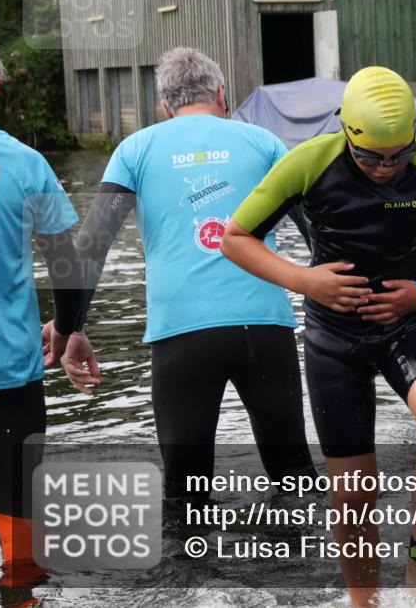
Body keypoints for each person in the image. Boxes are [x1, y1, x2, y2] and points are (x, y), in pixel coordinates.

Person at [221, 66, 416, 608]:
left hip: (406, 322)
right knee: (353, 494)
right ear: (346, 131)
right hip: (334, 336)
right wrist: (306, 281)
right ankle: (362, 601)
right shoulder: (309, 162)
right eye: (371, 157)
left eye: (400, 155)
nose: (386, 169)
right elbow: (236, 239)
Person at [55, 47, 317, 509]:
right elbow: (318, 233)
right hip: (265, 327)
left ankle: (191, 575)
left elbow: (91, 248)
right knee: (297, 478)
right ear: (222, 94)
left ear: (164, 106)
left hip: (182, 337)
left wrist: (69, 328)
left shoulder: (135, 150)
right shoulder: (263, 143)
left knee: (185, 492)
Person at [0, 41, 96, 593]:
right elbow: (68, 266)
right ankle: (19, 597)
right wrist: (69, 327)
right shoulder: (25, 165)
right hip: (9, 371)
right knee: (17, 513)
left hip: (12, 370)